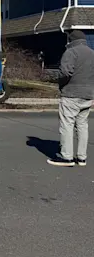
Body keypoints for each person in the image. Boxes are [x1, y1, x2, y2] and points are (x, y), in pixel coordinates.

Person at [47, 30, 94, 167]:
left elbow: (65, 72)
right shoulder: (92, 53)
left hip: (71, 93)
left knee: (67, 125)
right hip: (88, 95)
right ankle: (82, 157)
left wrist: (60, 84)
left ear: (70, 40)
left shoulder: (71, 52)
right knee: (82, 125)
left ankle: (67, 157)